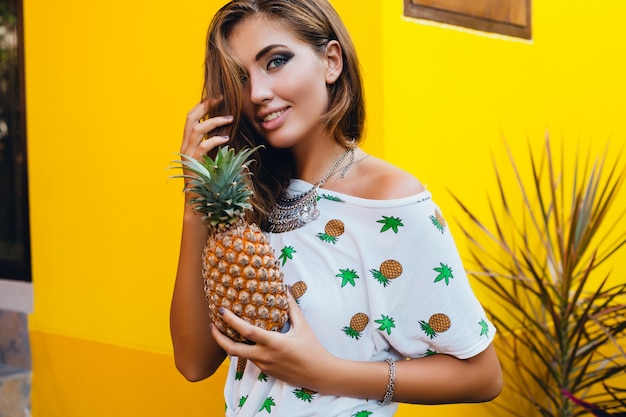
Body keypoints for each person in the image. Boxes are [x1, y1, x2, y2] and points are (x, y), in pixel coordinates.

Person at [170, 1, 503, 416]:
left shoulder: (390, 202)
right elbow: (194, 362)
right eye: (241, 77)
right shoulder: (250, 204)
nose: (256, 93)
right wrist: (193, 203)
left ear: (331, 61)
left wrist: (325, 372)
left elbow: (483, 375)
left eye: (275, 61)